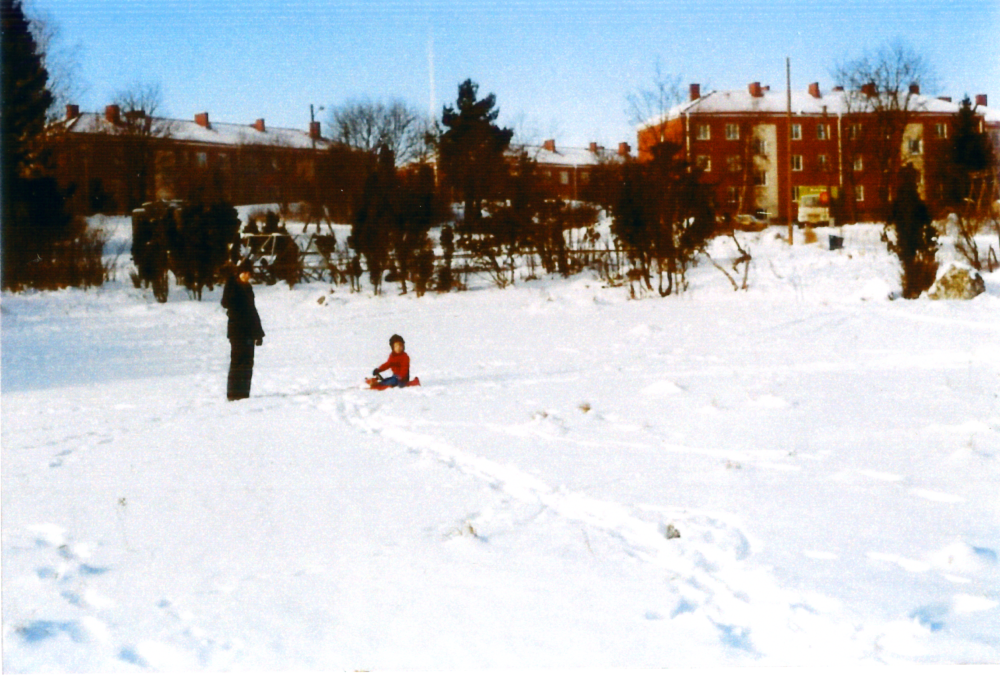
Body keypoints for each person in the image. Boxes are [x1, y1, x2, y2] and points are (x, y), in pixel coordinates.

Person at [221, 259, 265, 400]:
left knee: (248, 363)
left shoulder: (248, 288)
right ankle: (233, 394)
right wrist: (232, 281)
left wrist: (258, 333)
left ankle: (244, 393)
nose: (246, 275)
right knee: (237, 363)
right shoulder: (232, 285)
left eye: (249, 273)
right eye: (244, 272)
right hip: (237, 331)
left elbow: (252, 311)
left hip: (249, 332)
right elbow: (225, 302)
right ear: (239, 272)